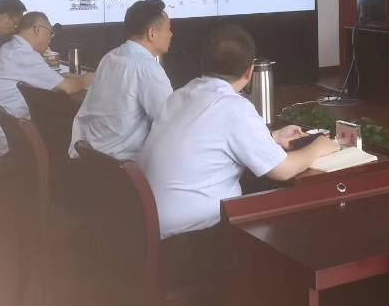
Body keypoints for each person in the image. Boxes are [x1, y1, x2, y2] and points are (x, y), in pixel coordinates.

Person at [138, 24, 338, 239]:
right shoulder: (233, 107)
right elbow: (283, 170)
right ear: (250, 71)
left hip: (147, 224)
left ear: (203, 62)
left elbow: (209, 139)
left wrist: (272, 137)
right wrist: (317, 147)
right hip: (190, 236)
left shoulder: (182, 95)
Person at [68, 0, 174, 160]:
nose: (171, 34)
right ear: (152, 33)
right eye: (168, 28)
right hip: (118, 165)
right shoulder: (147, 67)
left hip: (87, 156)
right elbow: (170, 122)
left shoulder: (110, 56)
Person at [0, 11, 92, 156]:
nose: (50, 40)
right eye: (50, 34)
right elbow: (67, 88)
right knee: (65, 130)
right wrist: (88, 78)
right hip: (8, 144)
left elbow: (44, 78)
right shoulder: (25, 55)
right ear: (37, 29)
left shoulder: (9, 48)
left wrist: (66, 78)